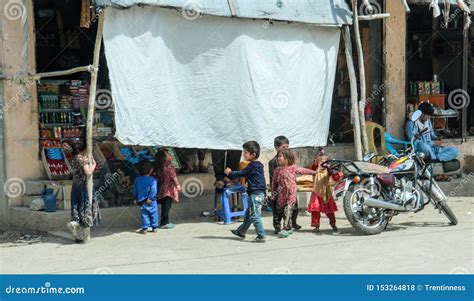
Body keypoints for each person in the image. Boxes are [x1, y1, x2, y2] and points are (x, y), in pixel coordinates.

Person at [225, 141, 266, 242]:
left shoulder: (252, 166)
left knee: (255, 216)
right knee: (249, 215)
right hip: (258, 194)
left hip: (255, 195)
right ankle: (241, 231)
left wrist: (230, 173)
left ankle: (261, 235)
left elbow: (242, 173)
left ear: (253, 155)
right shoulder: (258, 165)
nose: (244, 154)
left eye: (246, 152)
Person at [272, 148, 317, 238]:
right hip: (281, 195)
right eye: (278, 156)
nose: (278, 158)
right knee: (279, 212)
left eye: (280, 156)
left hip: (291, 195)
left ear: (287, 158)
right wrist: (273, 194)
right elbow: (274, 182)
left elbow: (304, 171)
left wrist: (315, 172)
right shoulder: (277, 170)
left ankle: (285, 229)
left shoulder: (293, 168)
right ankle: (282, 227)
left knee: (287, 211)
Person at [67, 141, 101, 244]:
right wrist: (94, 164)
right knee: (86, 207)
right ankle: (80, 230)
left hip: (76, 185)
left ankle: (77, 233)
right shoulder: (81, 159)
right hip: (84, 186)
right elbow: (88, 172)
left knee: (78, 206)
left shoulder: (73, 159)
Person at [268, 136, 302, 232]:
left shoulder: (289, 160)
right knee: (278, 210)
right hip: (279, 190)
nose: (286, 149)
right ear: (276, 147)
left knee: (293, 208)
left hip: (290, 189)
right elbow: (273, 178)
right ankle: (277, 227)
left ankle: (292, 223)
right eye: (284, 147)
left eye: (287, 147)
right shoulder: (273, 162)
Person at [307, 148, 342, 234]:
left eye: (324, 161)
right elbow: (313, 167)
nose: (322, 163)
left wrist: (331, 170)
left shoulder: (328, 170)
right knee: (315, 211)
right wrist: (316, 160)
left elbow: (335, 177)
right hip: (316, 192)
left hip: (327, 192)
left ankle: (333, 224)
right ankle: (316, 226)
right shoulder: (315, 169)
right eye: (320, 161)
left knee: (330, 211)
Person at [154, 149, 181, 229]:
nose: (170, 155)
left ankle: (165, 221)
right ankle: (164, 222)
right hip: (169, 189)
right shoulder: (169, 166)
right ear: (164, 158)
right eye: (168, 154)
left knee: (164, 205)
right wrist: (178, 185)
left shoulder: (159, 166)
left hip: (162, 188)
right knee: (167, 206)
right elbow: (173, 176)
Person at [133, 160, 158, 234]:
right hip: (151, 200)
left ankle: (145, 228)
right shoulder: (152, 180)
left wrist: (135, 198)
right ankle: (154, 227)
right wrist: (150, 198)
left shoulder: (137, 180)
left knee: (144, 214)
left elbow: (134, 190)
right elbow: (153, 190)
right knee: (154, 213)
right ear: (151, 170)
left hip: (141, 201)